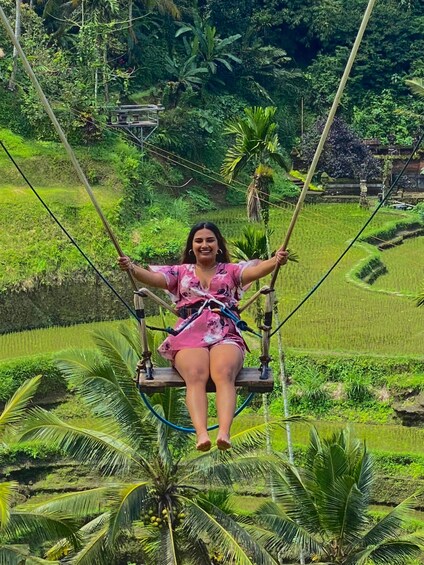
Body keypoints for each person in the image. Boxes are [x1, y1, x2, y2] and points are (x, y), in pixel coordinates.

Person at [118, 221, 288, 452]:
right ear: (191, 247)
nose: (204, 245)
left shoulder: (232, 271)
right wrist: (131, 267)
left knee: (224, 371)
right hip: (189, 332)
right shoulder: (179, 273)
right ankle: (201, 434)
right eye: (199, 241)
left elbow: (256, 271)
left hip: (225, 331)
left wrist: (275, 260)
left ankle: (224, 433)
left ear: (218, 245)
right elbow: (152, 279)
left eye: (210, 240)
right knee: (196, 374)